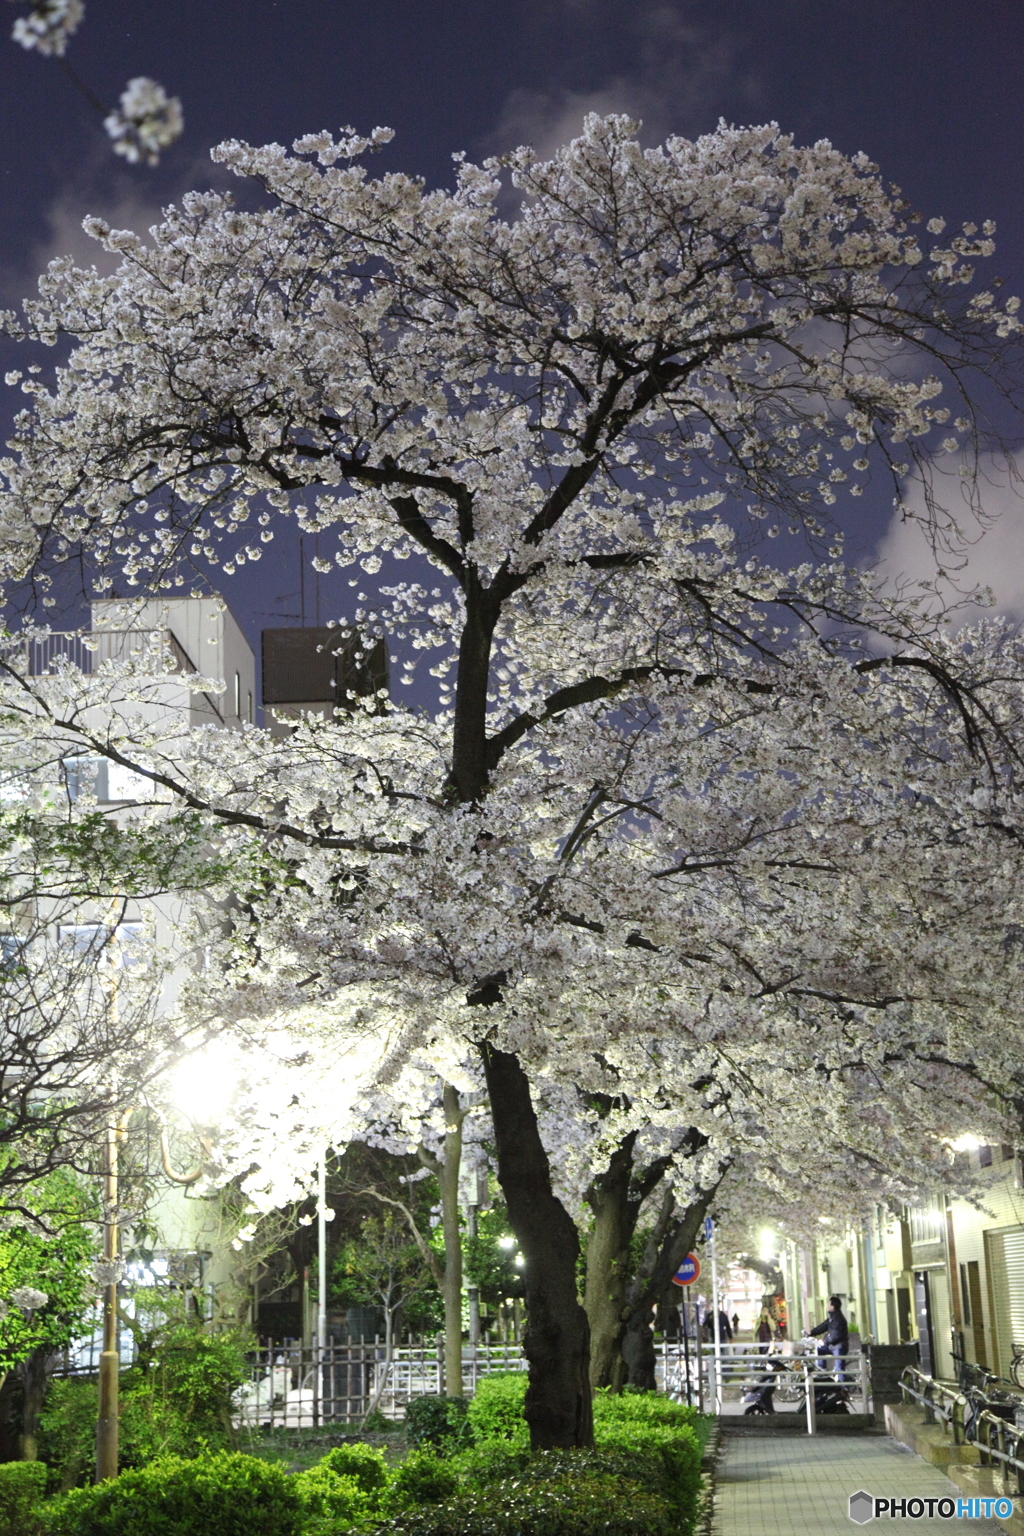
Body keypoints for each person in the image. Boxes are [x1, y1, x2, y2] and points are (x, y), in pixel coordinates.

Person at [809, 1294, 850, 1379]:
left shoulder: (838, 1318)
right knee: (819, 1350)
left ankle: (844, 1388)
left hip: (839, 1347)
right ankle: (822, 1371)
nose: (827, 1305)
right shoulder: (832, 1317)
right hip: (833, 1346)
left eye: (828, 1303)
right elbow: (823, 1326)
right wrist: (811, 1332)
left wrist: (824, 1341)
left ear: (832, 1306)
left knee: (839, 1369)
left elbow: (836, 1335)